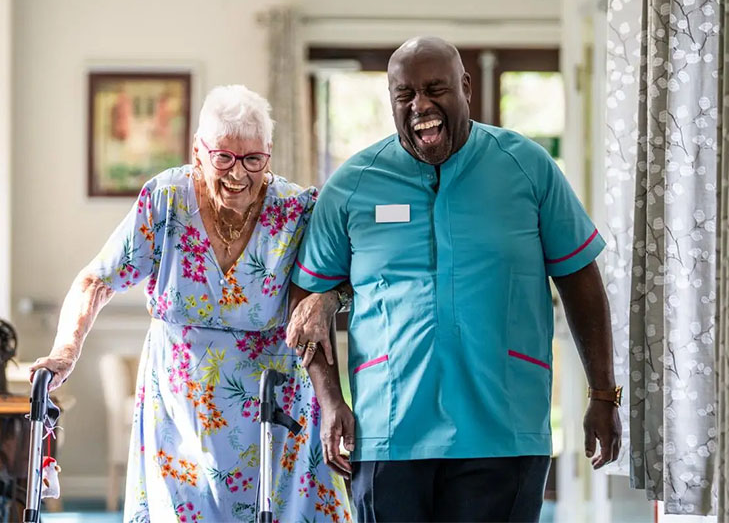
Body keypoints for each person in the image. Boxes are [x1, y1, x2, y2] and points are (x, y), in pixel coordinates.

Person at [287, 36, 622, 522]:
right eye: (405, 95)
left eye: (435, 89)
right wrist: (330, 399)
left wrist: (603, 394)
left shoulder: (527, 168)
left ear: (465, 87)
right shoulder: (353, 184)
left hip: (503, 427)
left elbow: (580, 280)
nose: (420, 106)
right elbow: (306, 300)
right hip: (388, 430)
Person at [31, 85, 352, 523]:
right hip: (180, 414)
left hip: (274, 411)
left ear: (269, 155)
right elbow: (97, 280)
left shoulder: (295, 210)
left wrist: (329, 298)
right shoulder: (166, 200)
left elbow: (349, 275)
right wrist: (65, 352)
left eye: (253, 160)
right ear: (198, 150)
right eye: (224, 157)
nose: (238, 173)